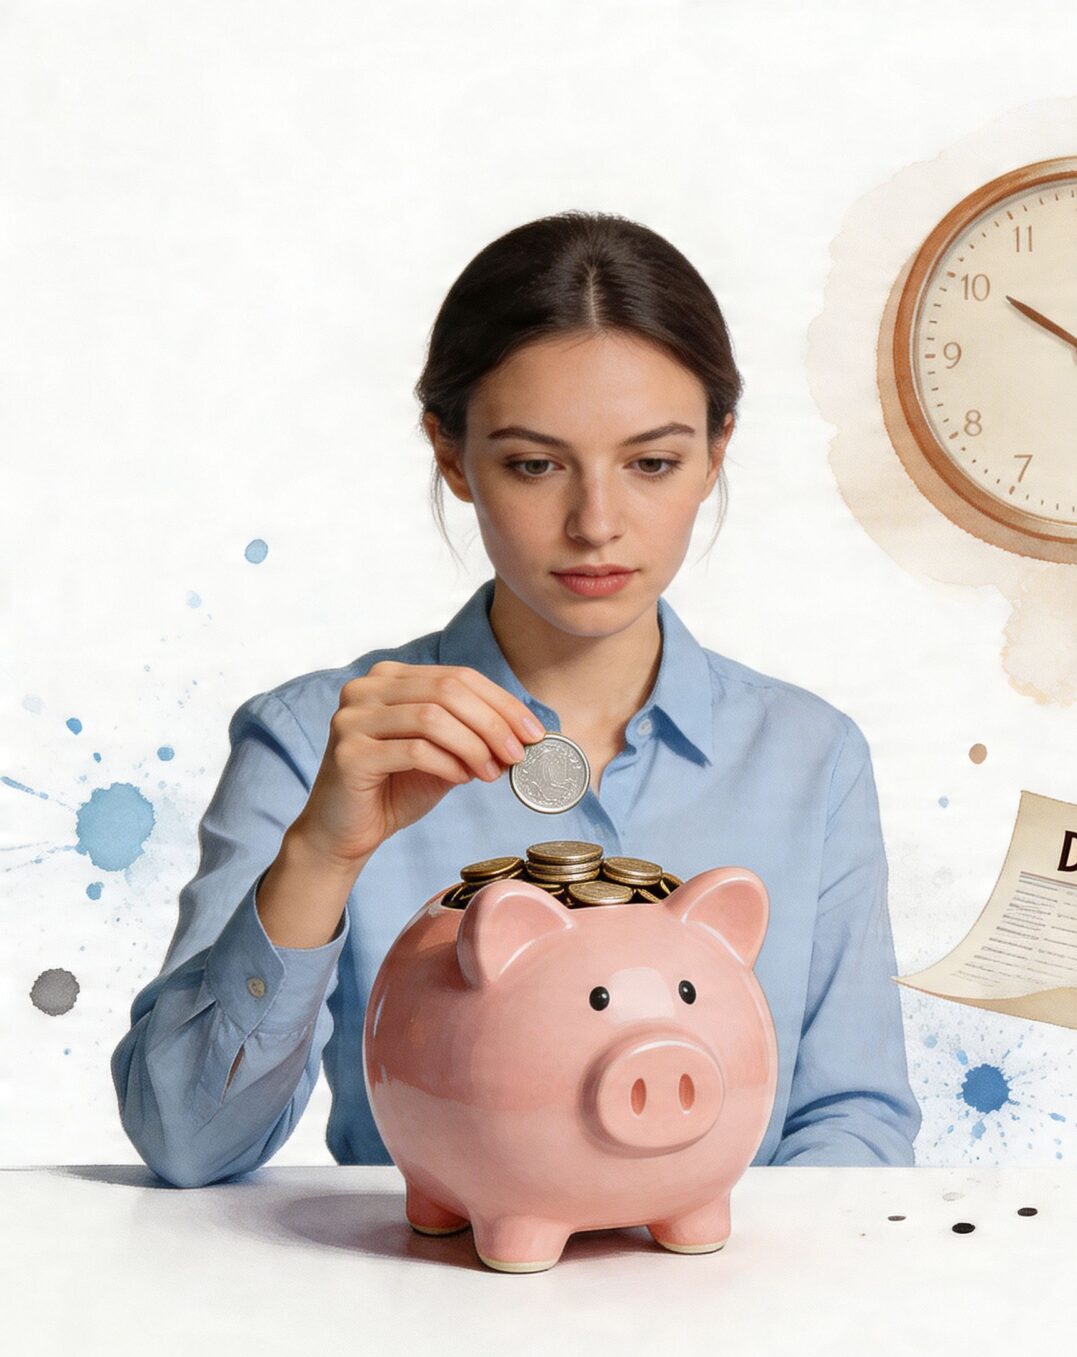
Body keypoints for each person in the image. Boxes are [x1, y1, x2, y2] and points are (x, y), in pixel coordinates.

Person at [111, 211, 921, 1186]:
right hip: (433, 1304)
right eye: (534, 464)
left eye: (652, 462)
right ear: (451, 456)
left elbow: (856, 1124)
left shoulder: (808, 755)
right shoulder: (315, 742)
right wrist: (325, 853)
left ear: (718, 450)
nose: (596, 523)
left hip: (724, 1303)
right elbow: (187, 1146)